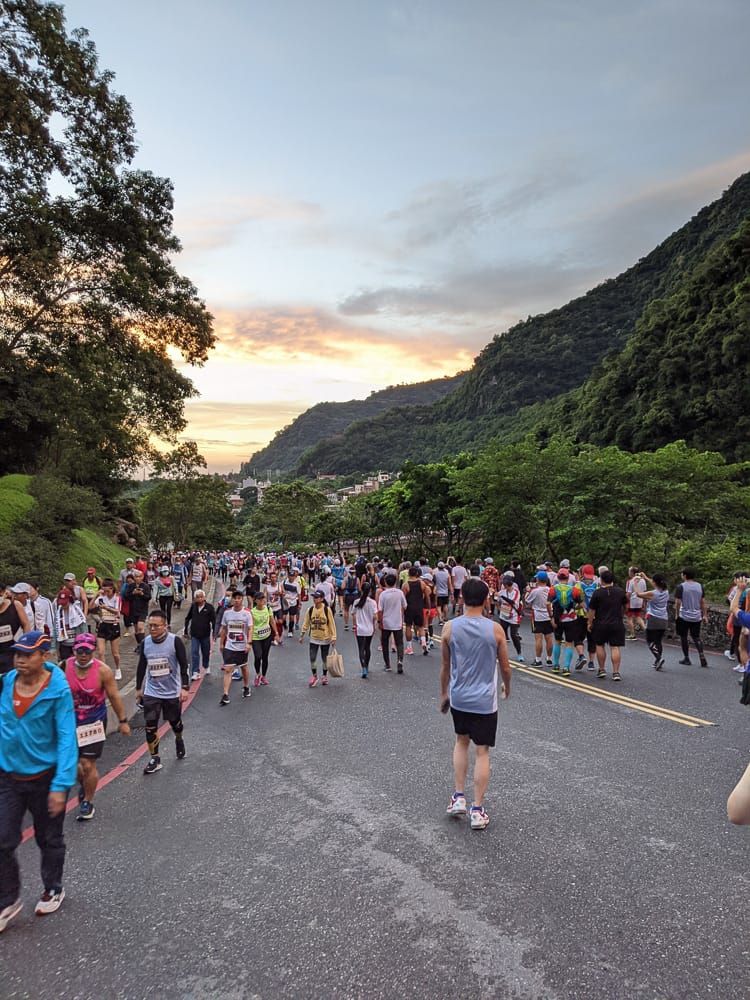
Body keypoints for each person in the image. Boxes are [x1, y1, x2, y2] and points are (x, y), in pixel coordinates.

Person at [0, 631, 78, 929]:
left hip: (45, 778)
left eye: (27, 654)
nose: (19, 658)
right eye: (17, 653)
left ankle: (53, 887)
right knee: (2, 839)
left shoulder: (57, 690)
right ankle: (8, 900)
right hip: (8, 775)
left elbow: (66, 739)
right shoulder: (8, 681)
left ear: (44, 656)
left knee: (49, 838)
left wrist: (60, 786)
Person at [440, 578, 511, 831]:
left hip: (459, 696)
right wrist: (507, 687)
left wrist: (444, 694)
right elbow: (505, 666)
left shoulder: (449, 627)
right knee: (482, 751)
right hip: (484, 700)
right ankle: (477, 810)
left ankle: (458, 796)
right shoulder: (495, 630)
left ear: (461, 598)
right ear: (485, 600)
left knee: (461, 741)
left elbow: (446, 666)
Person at [64, 633, 130, 821]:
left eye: (88, 650)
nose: (83, 654)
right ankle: (84, 785)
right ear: (73, 650)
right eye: (80, 650)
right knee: (74, 767)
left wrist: (123, 721)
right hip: (70, 723)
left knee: (88, 764)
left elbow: (114, 696)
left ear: (93, 651)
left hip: (94, 722)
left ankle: (87, 801)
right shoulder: (64, 667)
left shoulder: (103, 671)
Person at [134, 610, 190, 774]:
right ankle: (155, 758)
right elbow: (141, 666)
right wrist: (139, 688)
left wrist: (185, 687)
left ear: (165, 626)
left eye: (156, 626)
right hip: (152, 692)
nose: (152, 629)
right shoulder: (145, 643)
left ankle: (179, 739)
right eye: (150, 626)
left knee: (175, 722)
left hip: (171, 692)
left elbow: (184, 665)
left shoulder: (175, 642)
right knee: (150, 725)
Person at [587, 570, 627, 681]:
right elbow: (625, 606)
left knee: (600, 645)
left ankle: (601, 669)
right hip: (616, 622)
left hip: (601, 623)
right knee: (615, 647)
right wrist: (621, 615)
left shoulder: (597, 593)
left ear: (601, 580)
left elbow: (592, 610)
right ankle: (616, 672)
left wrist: (589, 622)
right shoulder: (620, 592)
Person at [219, 591, 254, 705]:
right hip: (230, 645)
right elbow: (224, 629)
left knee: (243, 667)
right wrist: (221, 644)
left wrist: (249, 643)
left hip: (242, 646)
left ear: (242, 599)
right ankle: (225, 694)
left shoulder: (247, 613)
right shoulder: (227, 613)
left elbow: (250, 629)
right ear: (232, 600)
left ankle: (246, 686)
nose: (237, 600)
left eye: (239, 598)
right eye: (235, 598)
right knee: (228, 669)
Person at [299, 589, 337, 687]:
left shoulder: (326, 610)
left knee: (324, 659)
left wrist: (333, 637)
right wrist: (302, 635)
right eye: (314, 597)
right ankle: (314, 675)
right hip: (314, 638)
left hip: (325, 638)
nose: (315, 599)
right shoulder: (310, 610)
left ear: (322, 599)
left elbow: (331, 624)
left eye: (317, 597)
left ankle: (324, 676)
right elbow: (306, 623)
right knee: (312, 658)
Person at [674, 567, 708, 668]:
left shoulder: (681, 587)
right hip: (696, 616)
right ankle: (701, 654)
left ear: (684, 575)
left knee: (684, 637)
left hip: (684, 615)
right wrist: (705, 614)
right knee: (696, 636)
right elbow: (702, 602)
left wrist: (676, 614)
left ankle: (686, 658)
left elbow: (678, 602)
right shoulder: (699, 586)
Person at [92, 578, 123, 680]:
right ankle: (104, 672)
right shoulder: (101, 597)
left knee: (115, 653)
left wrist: (106, 608)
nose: (106, 593)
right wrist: (96, 595)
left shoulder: (117, 597)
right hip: (103, 625)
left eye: (108, 591)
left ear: (112, 589)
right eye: (104, 591)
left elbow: (117, 612)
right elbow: (91, 606)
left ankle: (117, 668)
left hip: (113, 625)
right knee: (100, 652)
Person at [639, 572, 669, 670]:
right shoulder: (666, 591)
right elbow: (655, 584)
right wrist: (646, 577)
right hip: (664, 619)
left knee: (650, 640)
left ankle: (658, 658)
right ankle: (657, 661)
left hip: (653, 618)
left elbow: (639, 594)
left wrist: (635, 583)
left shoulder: (653, 593)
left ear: (655, 582)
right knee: (658, 641)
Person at [183, 589, 215, 681]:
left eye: (201, 597)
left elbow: (213, 620)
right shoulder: (193, 606)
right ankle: (195, 672)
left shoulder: (209, 607)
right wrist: (185, 631)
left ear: (204, 598)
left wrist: (214, 633)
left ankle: (206, 665)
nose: (199, 599)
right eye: (197, 597)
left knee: (205, 652)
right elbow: (187, 618)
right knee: (194, 653)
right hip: (194, 634)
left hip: (205, 634)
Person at [378, 572, 407, 673]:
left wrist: (379, 621)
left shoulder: (383, 594)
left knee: (385, 643)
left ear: (385, 582)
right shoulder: (400, 593)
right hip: (397, 621)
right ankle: (400, 660)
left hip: (386, 622)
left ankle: (387, 664)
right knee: (399, 643)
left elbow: (380, 610)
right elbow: (405, 606)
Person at [525, 571, 553, 667]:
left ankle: (538, 659)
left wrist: (528, 591)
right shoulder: (550, 590)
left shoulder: (535, 591)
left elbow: (527, 601)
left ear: (538, 579)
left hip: (538, 616)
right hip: (549, 615)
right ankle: (549, 659)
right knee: (549, 638)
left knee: (538, 639)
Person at [0, 585, 31, 673]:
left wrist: (26, 646)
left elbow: (25, 625)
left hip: (13, 651)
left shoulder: (15, 605)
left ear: (3, 593)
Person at [402, 565, 432, 655]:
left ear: (408, 574)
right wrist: (428, 607)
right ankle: (424, 644)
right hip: (419, 607)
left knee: (408, 626)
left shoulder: (406, 585)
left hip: (409, 608)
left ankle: (409, 648)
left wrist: (402, 610)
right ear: (417, 573)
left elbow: (402, 599)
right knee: (421, 626)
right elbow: (427, 597)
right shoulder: (422, 584)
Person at [250, 590, 278, 686]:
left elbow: (272, 621)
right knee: (258, 656)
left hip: (267, 635)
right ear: (256, 601)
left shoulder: (268, 608)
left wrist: (276, 633)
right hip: (256, 637)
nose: (263, 600)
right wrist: (249, 639)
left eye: (264, 598)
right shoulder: (252, 612)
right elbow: (251, 626)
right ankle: (258, 674)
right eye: (260, 599)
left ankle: (264, 677)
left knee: (265, 656)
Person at [495, 572, 523, 661]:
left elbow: (512, 602)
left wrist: (501, 596)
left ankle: (519, 654)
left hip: (513, 617)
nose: (505, 586)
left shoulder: (516, 592)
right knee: (501, 635)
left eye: (506, 584)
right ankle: (498, 653)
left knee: (514, 635)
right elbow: (496, 600)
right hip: (504, 616)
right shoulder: (502, 591)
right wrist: (497, 603)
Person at [353, 582, 378, 679]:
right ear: (370, 591)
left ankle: (363, 667)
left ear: (361, 590)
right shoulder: (372, 603)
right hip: (369, 628)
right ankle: (367, 666)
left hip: (360, 628)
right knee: (367, 647)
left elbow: (354, 614)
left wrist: (355, 625)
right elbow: (375, 616)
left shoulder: (356, 602)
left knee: (361, 648)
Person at [625, 566, 647, 640]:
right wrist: (644, 602)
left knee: (629, 617)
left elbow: (628, 593)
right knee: (638, 617)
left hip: (632, 601)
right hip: (639, 601)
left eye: (629, 571)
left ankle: (632, 634)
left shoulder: (630, 581)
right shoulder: (643, 580)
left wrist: (625, 602)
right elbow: (644, 592)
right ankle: (647, 632)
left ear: (632, 572)